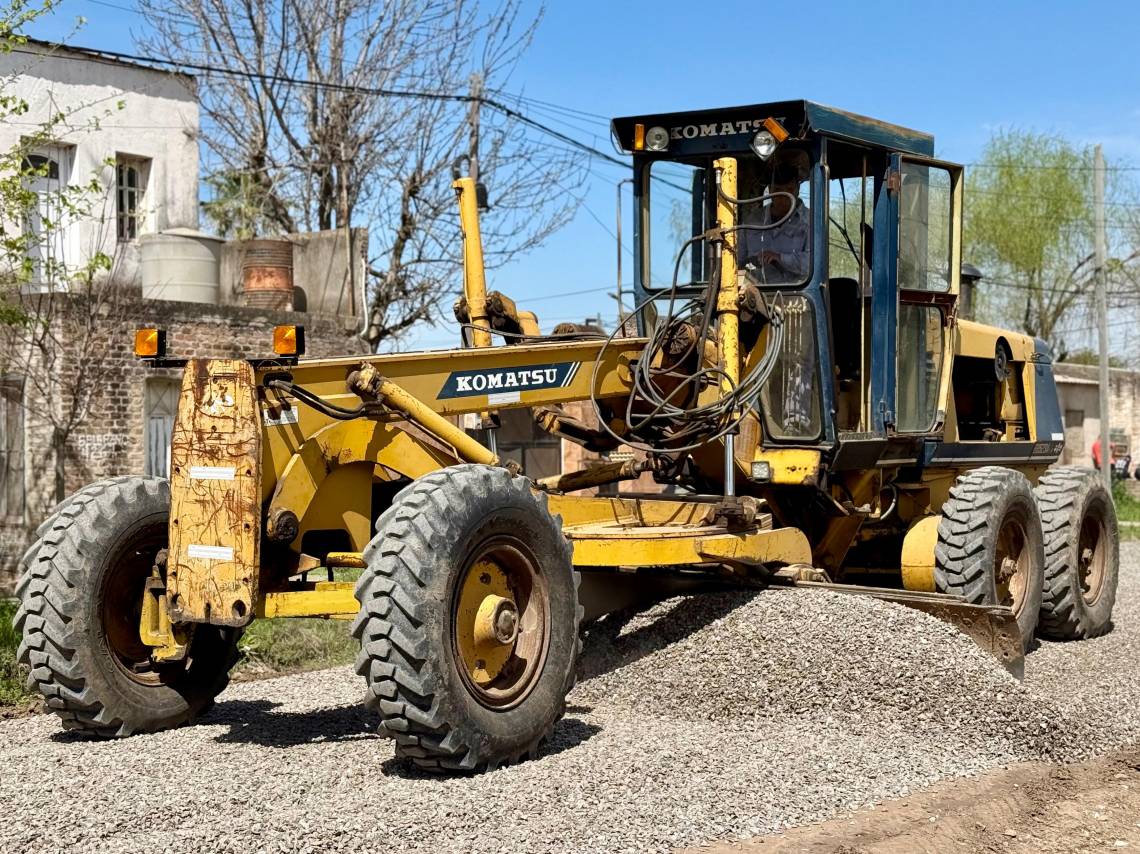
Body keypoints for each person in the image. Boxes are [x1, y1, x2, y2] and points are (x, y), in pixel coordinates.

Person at [741, 153, 810, 285]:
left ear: (798, 189)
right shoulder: (752, 222)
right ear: (770, 190)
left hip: (797, 298)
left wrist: (780, 258)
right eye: (778, 189)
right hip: (755, 298)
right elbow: (737, 261)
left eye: (789, 189)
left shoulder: (810, 221)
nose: (783, 195)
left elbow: (813, 263)